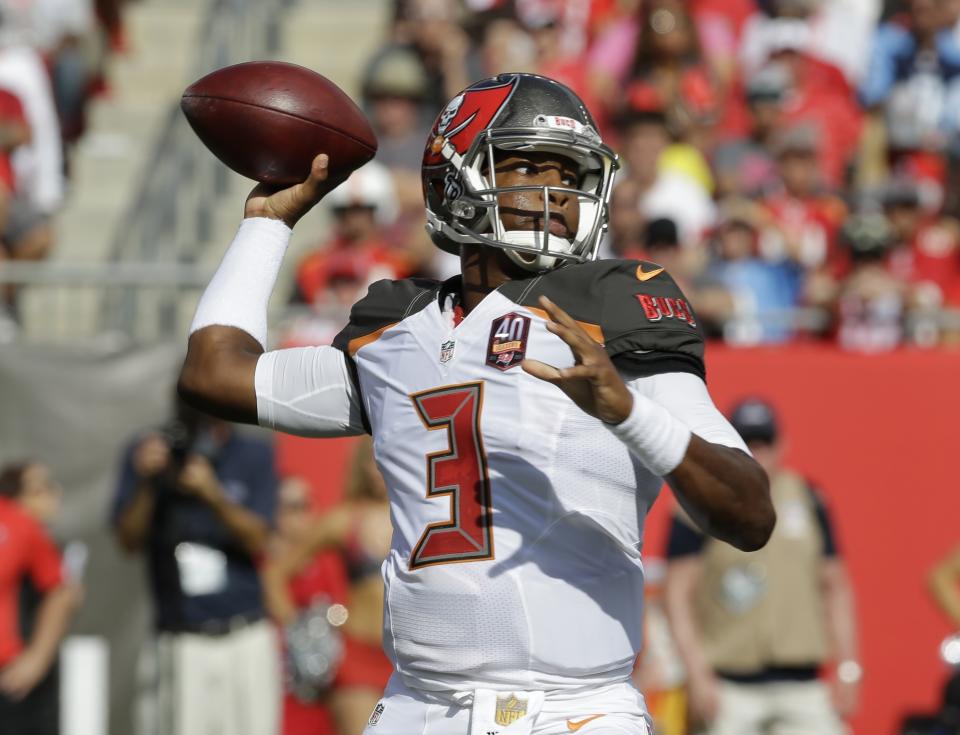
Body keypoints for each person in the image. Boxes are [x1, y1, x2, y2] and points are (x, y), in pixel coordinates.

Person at [178, 72, 775, 735]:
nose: (556, 195)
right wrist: (268, 224)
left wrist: (627, 412)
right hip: (416, 707)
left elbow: (749, 512)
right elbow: (214, 373)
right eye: (526, 166)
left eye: (570, 174)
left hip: (573, 710)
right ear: (455, 177)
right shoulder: (392, 324)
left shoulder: (616, 302)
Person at [664, 397, 860, 735]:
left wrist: (848, 666)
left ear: (782, 445)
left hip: (803, 683)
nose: (757, 455)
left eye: (764, 444)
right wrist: (695, 671)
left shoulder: (808, 499)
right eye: (747, 443)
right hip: (729, 685)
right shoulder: (699, 502)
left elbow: (836, 587)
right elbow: (677, 594)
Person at [110, 398, 281, 735]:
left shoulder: (253, 453)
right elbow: (128, 541)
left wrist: (213, 494)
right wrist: (149, 482)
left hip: (243, 632)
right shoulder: (151, 449)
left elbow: (260, 540)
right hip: (181, 636)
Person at [264, 438, 393, 735]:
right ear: (362, 467)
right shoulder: (344, 520)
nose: (380, 469)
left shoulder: (423, 520)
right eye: (373, 461)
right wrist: (298, 631)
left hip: (410, 662)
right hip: (358, 663)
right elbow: (276, 574)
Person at [0, 461, 79, 735]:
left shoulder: (23, 530)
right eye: (41, 489)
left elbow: (62, 592)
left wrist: (36, 658)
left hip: (11, 680)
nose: (54, 495)